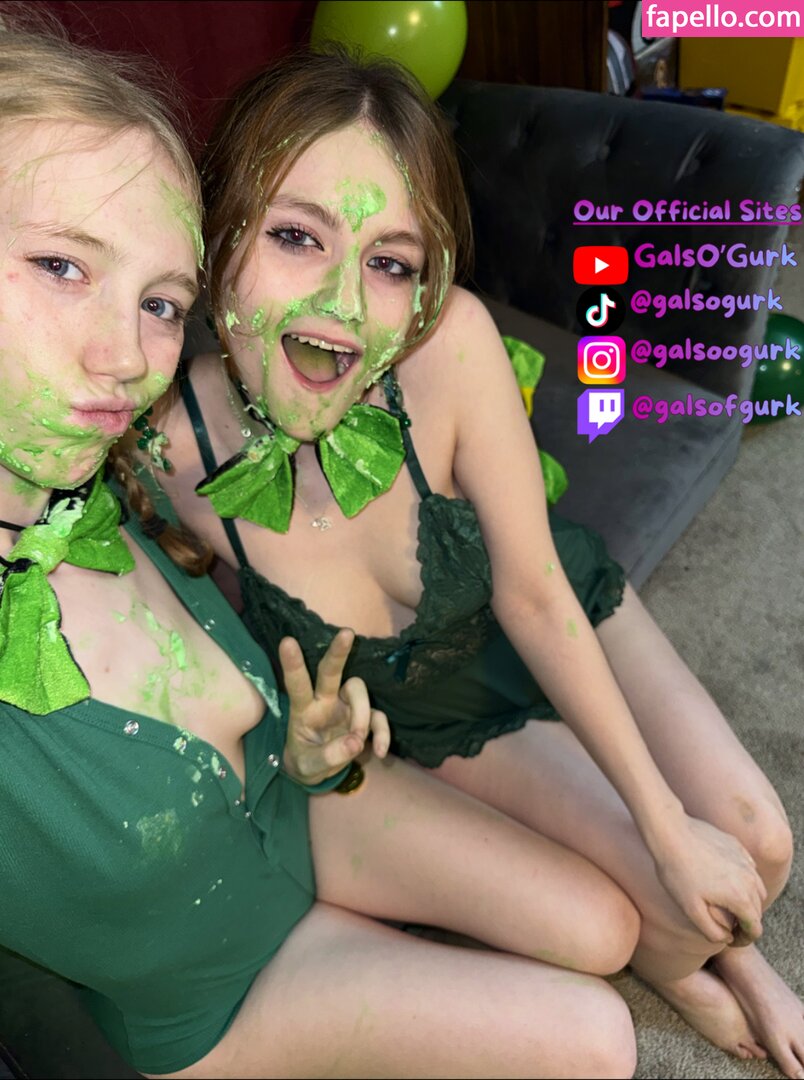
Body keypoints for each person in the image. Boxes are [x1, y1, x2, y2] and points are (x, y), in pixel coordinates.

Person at [0, 16, 642, 1080]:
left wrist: (307, 750)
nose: (128, 357)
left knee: (606, 928)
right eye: (62, 264)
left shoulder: (96, 486)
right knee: (600, 1040)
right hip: (223, 987)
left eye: (161, 302)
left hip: (298, 802)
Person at [149, 47, 802, 1080]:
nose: (345, 303)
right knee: (629, 922)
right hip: (437, 713)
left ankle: (714, 950)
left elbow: (535, 595)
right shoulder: (162, 453)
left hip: (544, 604)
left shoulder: (448, 340)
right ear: (216, 231)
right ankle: (686, 967)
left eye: (390, 262)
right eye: (294, 236)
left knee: (757, 843)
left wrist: (667, 827)